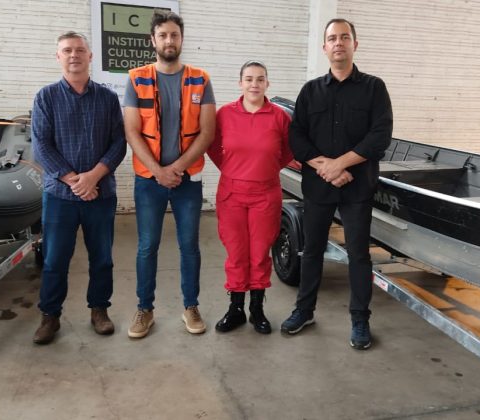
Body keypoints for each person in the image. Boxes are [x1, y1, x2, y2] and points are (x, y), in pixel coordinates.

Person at [281, 18, 393, 350]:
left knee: (359, 255)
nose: (338, 43)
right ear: (325, 47)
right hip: (319, 186)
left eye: (344, 37)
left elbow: (380, 136)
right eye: (332, 38)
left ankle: (360, 319)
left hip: (357, 187)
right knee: (311, 250)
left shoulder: (374, 88)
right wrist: (326, 168)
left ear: (354, 44)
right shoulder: (310, 91)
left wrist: (339, 164)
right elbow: (297, 137)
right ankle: (304, 311)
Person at [123, 10, 216, 338]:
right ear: (153, 40)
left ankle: (191, 306)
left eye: (174, 35)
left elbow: (207, 132)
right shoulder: (137, 78)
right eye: (162, 35)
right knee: (147, 246)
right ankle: (144, 309)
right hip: (149, 181)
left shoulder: (200, 79)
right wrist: (158, 171)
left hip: (187, 181)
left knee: (189, 245)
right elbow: (132, 131)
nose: (169, 40)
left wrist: (175, 169)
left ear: (181, 39)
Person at [31, 31, 127, 345]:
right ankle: (50, 316)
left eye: (80, 50)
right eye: (67, 50)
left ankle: (99, 310)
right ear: (58, 56)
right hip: (60, 196)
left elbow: (119, 143)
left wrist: (93, 178)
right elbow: (41, 146)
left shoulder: (107, 98)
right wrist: (76, 181)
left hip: (100, 195)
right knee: (55, 259)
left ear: (90, 56)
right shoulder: (45, 97)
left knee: (102, 258)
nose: (74, 55)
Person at [208, 61, 292, 334]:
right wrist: (231, 169)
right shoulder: (225, 114)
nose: (254, 84)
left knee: (259, 253)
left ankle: (256, 309)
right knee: (236, 252)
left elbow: (289, 150)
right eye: (249, 79)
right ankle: (235, 309)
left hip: (266, 194)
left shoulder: (279, 117)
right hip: (232, 193)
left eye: (260, 79)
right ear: (240, 83)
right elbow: (212, 145)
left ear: (267, 83)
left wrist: (267, 168)